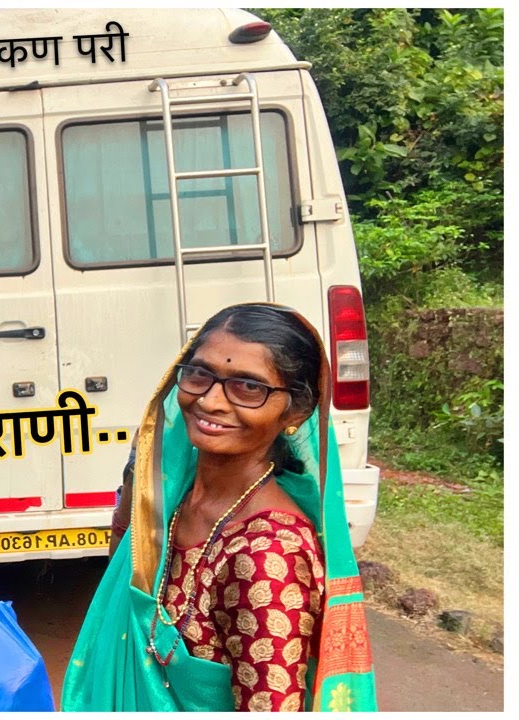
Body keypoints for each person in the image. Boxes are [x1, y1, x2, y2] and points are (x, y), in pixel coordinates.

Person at [62, 304, 377, 712]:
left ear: (295, 411)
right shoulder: (171, 495)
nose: (210, 401)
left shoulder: (266, 556)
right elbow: (124, 568)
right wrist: (136, 476)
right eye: (199, 374)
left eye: (249, 387)